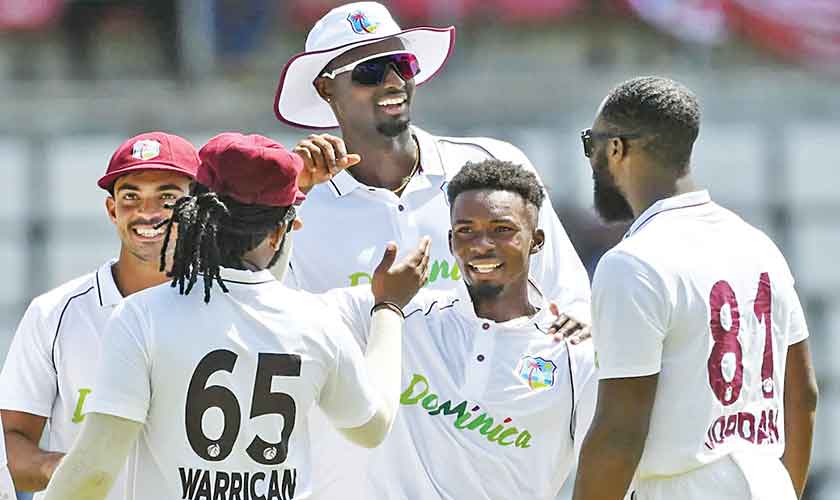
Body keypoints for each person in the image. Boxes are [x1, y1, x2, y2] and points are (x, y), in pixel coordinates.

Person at [273, 3, 593, 495]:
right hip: (359, 480)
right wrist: (287, 200)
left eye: (401, 64)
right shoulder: (299, 203)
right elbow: (267, 326)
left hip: (492, 470)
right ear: (325, 89)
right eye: (370, 71)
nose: (393, 82)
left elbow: (567, 302)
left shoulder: (490, 166)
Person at [41, 133, 431, 500]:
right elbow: (371, 428)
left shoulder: (141, 316)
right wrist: (389, 308)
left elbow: (94, 471)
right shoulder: (318, 323)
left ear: (191, 213)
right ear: (278, 232)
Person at [572, 76, 819, 500]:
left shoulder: (633, 263)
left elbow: (619, 434)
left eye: (589, 144)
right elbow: (803, 396)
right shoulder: (758, 244)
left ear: (615, 149)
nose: (591, 157)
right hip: (768, 481)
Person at [318, 159, 597, 498]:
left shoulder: (575, 351)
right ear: (451, 241)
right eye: (466, 231)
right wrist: (297, 191)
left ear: (536, 240)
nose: (481, 244)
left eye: (502, 229)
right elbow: (279, 310)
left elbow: (607, 465)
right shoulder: (399, 311)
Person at [0, 132, 199, 499]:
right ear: (112, 210)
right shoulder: (53, 313)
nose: (147, 212)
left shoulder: (222, 310)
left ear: (197, 208)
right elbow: (10, 442)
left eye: (168, 198)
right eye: (131, 197)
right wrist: (67, 470)